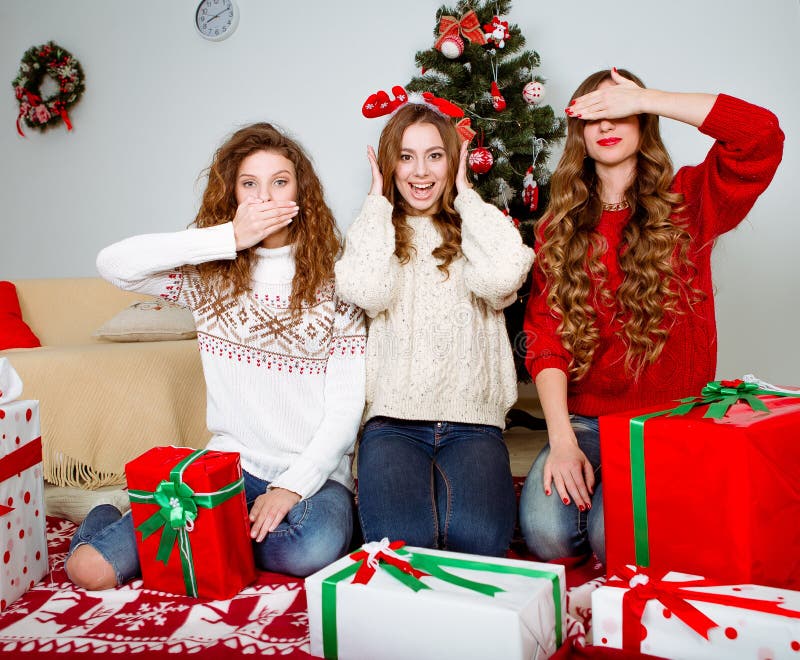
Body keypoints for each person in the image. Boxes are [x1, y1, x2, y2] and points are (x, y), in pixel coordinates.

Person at [65, 123, 366, 589]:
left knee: (313, 547)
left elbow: (346, 409)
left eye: (279, 182)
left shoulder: (340, 281)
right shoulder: (211, 279)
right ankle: (115, 516)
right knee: (89, 571)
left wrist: (290, 486)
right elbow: (114, 264)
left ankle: (194, 531)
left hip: (315, 476)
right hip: (229, 469)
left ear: (301, 192)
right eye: (250, 185)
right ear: (233, 194)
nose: (265, 198)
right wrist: (227, 237)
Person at [519, 68, 784, 564]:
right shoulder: (559, 224)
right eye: (594, 115)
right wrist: (561, 440)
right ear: (579, 132)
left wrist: (652, 97)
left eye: (620, 112)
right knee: (547, 535)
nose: (608, 124)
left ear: (643, 122)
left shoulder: (689, 199)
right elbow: (546, 337)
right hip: (586, 421)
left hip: (666, 420)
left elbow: (760, 136)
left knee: (615, 540)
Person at [335, 96, 535, 557]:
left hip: (473, 423)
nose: (420, 172)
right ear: (389, 165)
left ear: (453, 161)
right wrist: (374, 201)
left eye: (434, 156)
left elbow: (505, 274)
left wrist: (467, 195)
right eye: (405, 157)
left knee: (480, 545)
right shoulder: (376, 230)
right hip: (393, 423)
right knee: (402, 551)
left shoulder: (475, 229)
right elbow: (367, 290)